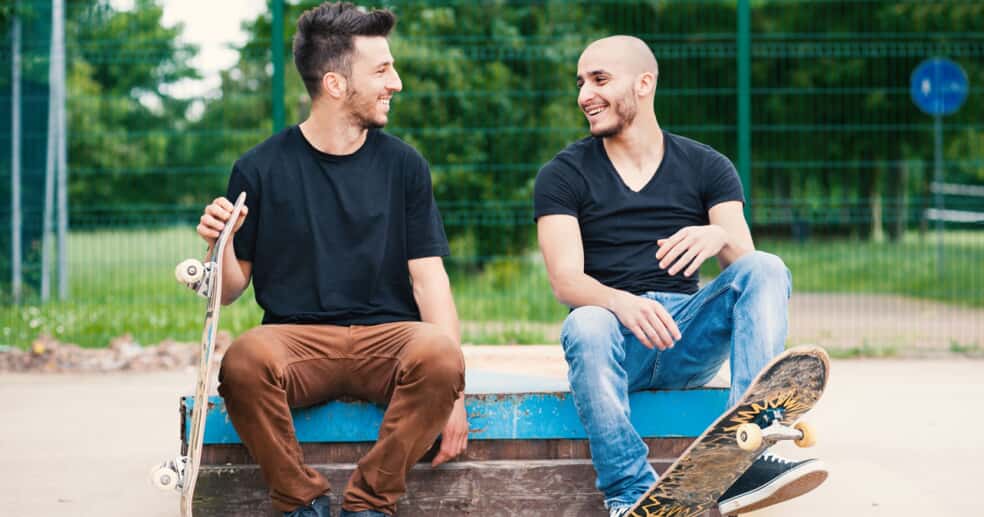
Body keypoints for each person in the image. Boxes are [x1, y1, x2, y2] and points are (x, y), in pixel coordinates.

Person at [533, 35, 827, 516]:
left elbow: (751, 277)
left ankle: (744, 455)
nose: (585, 94)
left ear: (644, 83)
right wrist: (623, 303)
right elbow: (565, 281)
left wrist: (719, 236)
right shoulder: (562, 174)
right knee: (585, 321)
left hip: (685, 335)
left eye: (600, 79)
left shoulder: (707, 166)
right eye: (580, 82)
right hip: (614, 339)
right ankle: (628, 493)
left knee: (767, 265)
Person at [195, 3, 467, 516]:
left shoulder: (405, 165)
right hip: (296, 343)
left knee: (442, 355)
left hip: (389, 339)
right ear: (336, 84)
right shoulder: (258, 167)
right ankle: (300, 501)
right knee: (243, 360)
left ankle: (369, 503)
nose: (396, 83)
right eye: (382, 70)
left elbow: (430, 279)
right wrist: (220, 242)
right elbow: (229, 291)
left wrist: (455, 393)